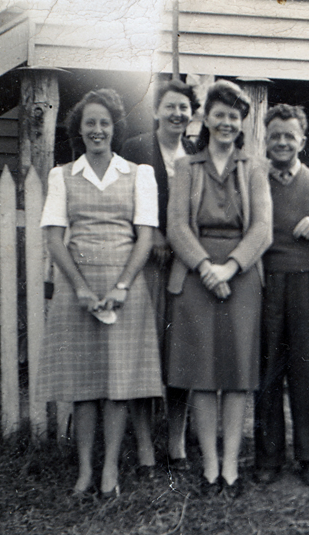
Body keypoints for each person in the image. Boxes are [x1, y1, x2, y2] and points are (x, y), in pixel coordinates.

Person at [36, 88, 162, 497]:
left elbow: (145, 239)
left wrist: (122, 286)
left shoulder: (138, 174)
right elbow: (55, 240)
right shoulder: (62, 176)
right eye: (89, 122)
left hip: (125, 287)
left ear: (114, 128)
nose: (97, 130)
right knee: (82, 386)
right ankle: (86, 470)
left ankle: (110, 470)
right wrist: (82, 290)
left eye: (104, 123)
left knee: (118, 385)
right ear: (79, 128)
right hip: (78, 288)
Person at [165, 80, 273, 498]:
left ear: (241, 121)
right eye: (219, 114)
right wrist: (206, 268)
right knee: (204, 374)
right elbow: (175, 226)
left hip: (242, 276)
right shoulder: (185, 168)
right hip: (194, 276)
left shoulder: (255, 167)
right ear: (205, 118)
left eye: (234, 116)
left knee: (237, 374)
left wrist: (229, 267)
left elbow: (262, 228)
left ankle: (231, 466)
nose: (226, 122)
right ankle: (209, 466)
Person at [253, 104, 309, 488]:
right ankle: (269, 457)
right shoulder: (254, 179)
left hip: (307, 282)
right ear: (266, 139)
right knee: (268, 371)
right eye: (275, 135)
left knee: (306, 370)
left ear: (302, 141)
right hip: (265, 282)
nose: (282, 142)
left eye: (290, 136)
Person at [120, 79, 199, 476]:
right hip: (146, 265)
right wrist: (151, 235)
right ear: (156, 111)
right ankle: (147, 448)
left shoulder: (196, 155)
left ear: (191, 114)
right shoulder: (135, 149)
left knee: (180, 354)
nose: (177, 114)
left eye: (184, 108)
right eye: (170, 106)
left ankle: (177, 443)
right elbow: (124, 204)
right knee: (144, 354)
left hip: (184, 268)